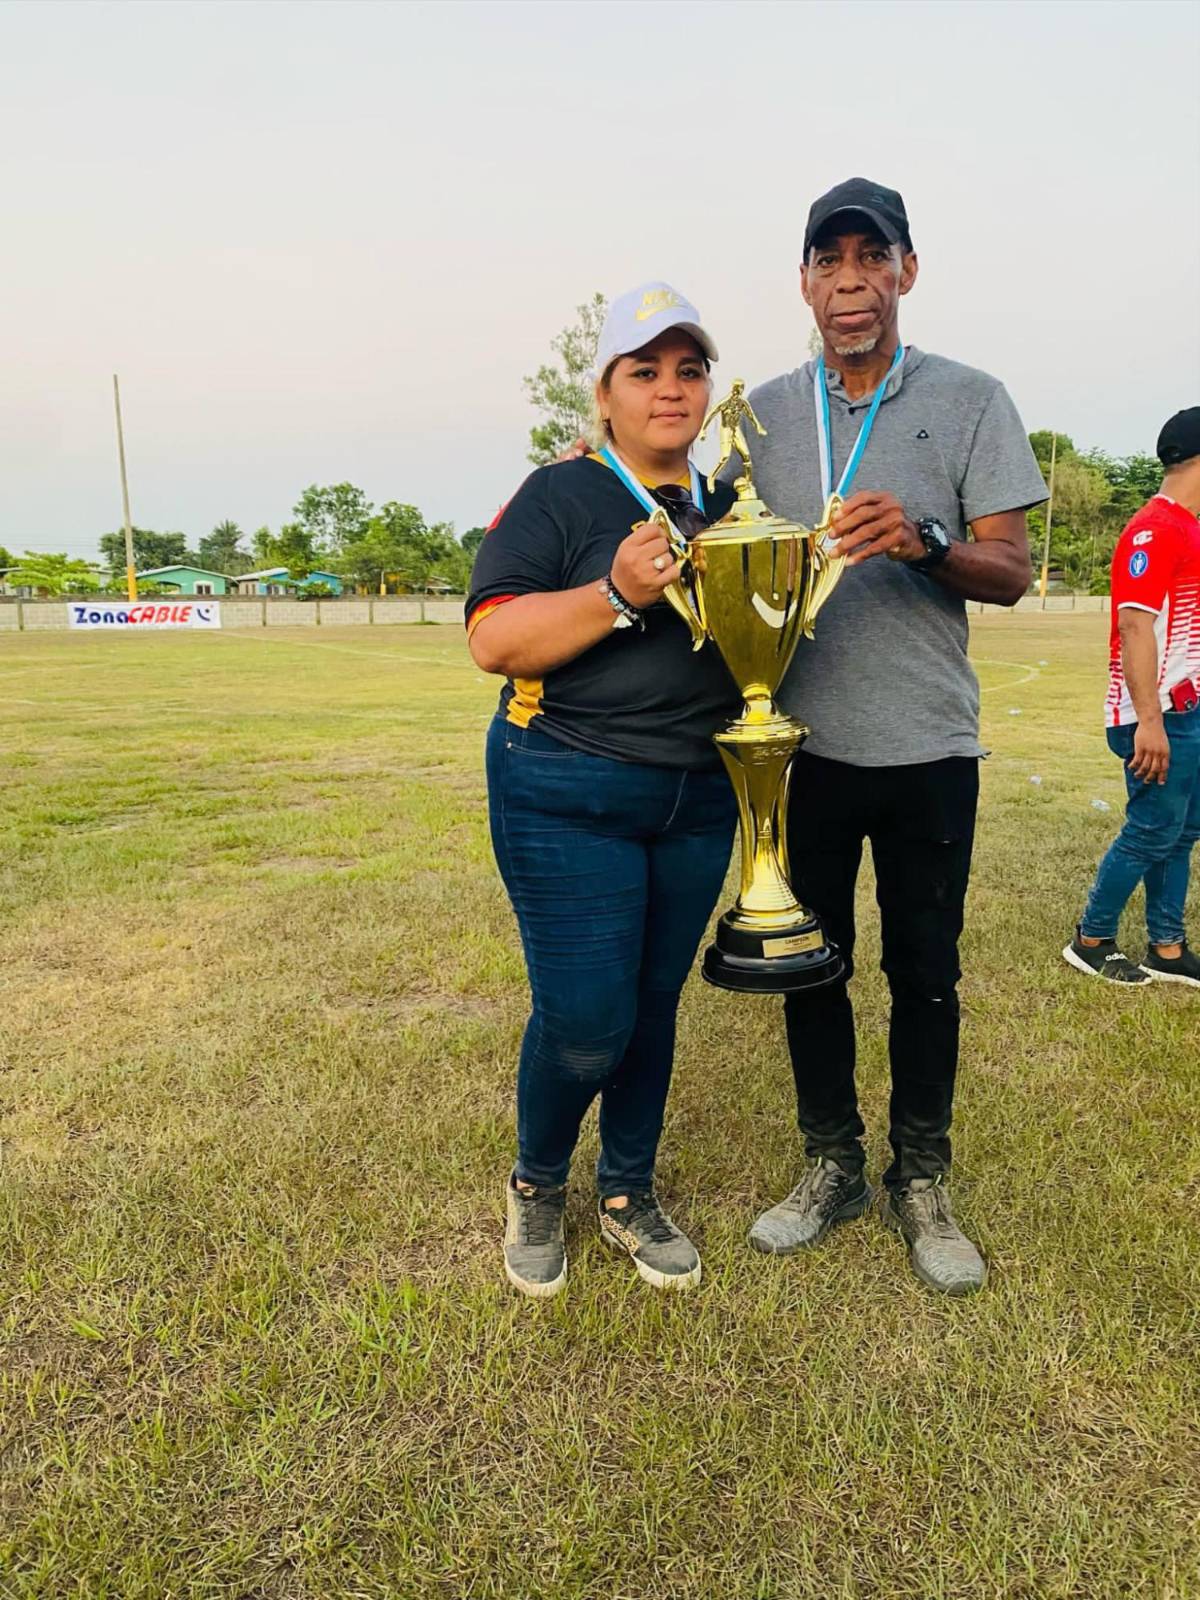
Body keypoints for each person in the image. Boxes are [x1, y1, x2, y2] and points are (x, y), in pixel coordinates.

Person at [727, 179, 1047, 1294]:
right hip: (798, 750)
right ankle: (833, 1164)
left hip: (927, 748)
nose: (851, 281)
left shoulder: (970, 399)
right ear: (804, 282)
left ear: (908, 270)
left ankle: (922, 1176)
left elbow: (1012, 570)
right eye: (830, 261)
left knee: (926, 970)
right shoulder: (760, 416)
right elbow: (700, 536)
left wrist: (925, 541)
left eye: (873, 257)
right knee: (811, 965)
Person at [466, 283, 741, 1298]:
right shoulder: (562, 494)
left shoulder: (731, 504)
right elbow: (492, 638)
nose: (671, 388)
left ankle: (627, 1190)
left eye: (689, 369)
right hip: (565, 787)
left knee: (652, 1007)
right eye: (645, 370)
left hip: (698, 797)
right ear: (606, 392)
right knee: (587, 1020)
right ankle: (537, 1181)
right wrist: (616, 591)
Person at [1064, 408, 1200, 988]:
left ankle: (1166, 948)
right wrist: (1150, 721)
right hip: (1155, 715)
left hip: (1186, 710)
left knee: (1181, 832)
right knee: (1151, 830)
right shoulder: (1156, 528)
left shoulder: (1188, 527)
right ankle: (1091, 940)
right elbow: (1135, 626)